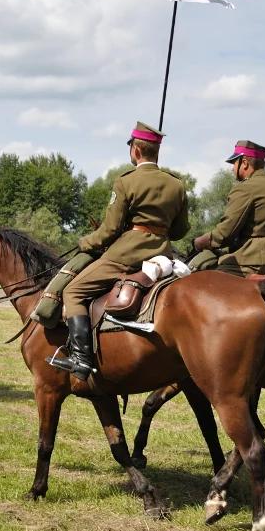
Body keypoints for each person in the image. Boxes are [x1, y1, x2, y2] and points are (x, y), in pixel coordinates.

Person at [50, 121, 190, 381]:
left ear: (136, 150)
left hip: (126, 255)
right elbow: (180, 230)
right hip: (162, 253)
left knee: (73, 290)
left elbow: (110, 229)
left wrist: (86, 243)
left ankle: (81, 359)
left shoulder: (125, 182)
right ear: (156, 152)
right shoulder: (177, 185)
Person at [190, 140, 265, 276]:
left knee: (200, 279)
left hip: (252, 260)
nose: (232, 168)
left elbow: (225, 234)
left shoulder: (245, 188)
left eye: (234, 163)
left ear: (244, 163)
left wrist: (200, 242)